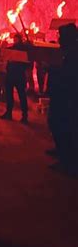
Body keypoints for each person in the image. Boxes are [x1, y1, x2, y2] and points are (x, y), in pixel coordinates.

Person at [47, 23, 78, 173]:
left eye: (61, 35)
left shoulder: (73, 53)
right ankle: (62, 152)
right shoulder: (67, 51)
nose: (58, 38)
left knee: (63, 125)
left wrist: (53, 68)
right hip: (61, 95)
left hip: (67, 97)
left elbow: (68, 74)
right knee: (57, 124)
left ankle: (68, 161)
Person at [0, 33, 30, 123]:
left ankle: (24, 116)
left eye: (17, 39)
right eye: (14, 39)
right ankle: (9, 113)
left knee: (22, 95)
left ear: (20, 39)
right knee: (9, 95)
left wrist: (28, 45)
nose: (15, 41)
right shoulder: (12, 48)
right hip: (11, 74)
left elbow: (29, 60)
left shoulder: (25, 49)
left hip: (19, 75)